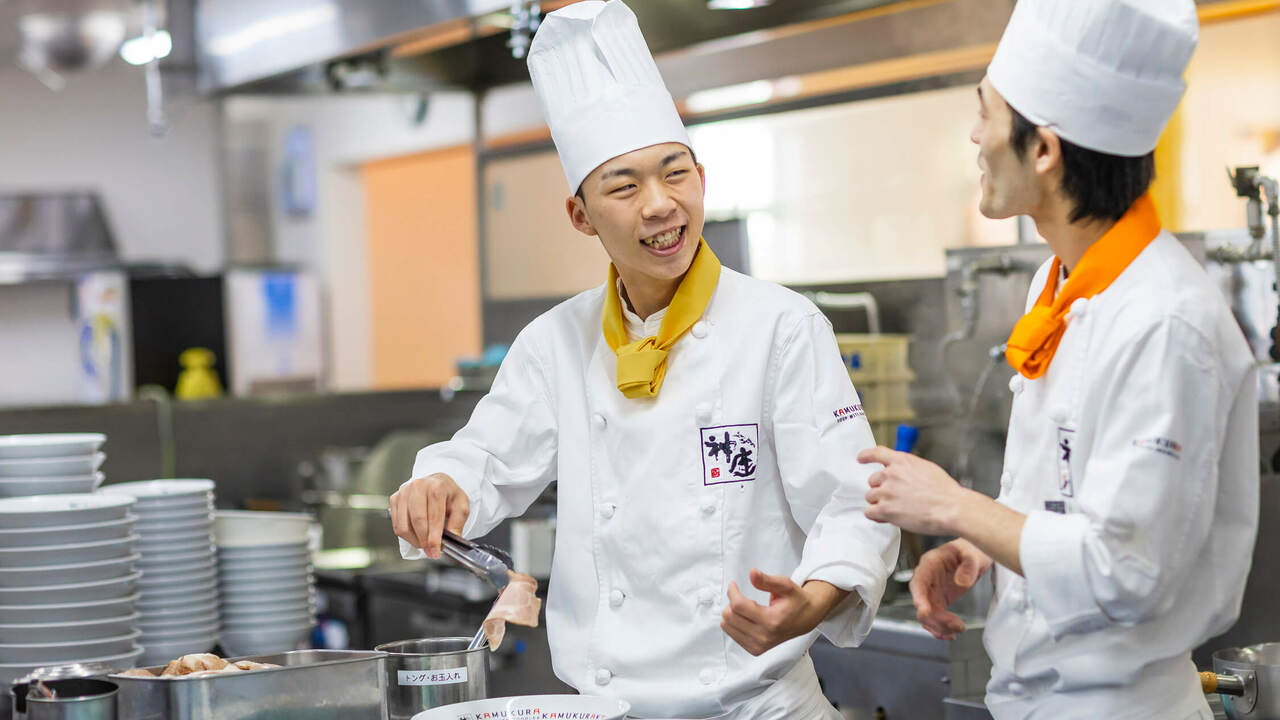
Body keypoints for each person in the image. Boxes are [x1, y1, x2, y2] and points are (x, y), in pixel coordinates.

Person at [388, 2, 898, 718]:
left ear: (701, 176)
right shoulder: (555, 344)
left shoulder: (780, 328)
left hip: (755, 707)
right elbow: (484, 463)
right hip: (607, 708)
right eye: (624, 187)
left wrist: (809, 603)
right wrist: (437, 485)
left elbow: (855, 504)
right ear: (581, 215)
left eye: (675, 173)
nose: (660, 205)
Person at [856, 1, 1260, 718]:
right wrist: (987, 543)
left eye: (986, 112)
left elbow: (1125, 572)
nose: (975, 137)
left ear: (1043, 150)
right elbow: (1077, 503)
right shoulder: (1066, 284)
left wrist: (955, 504)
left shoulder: (1165, 320)